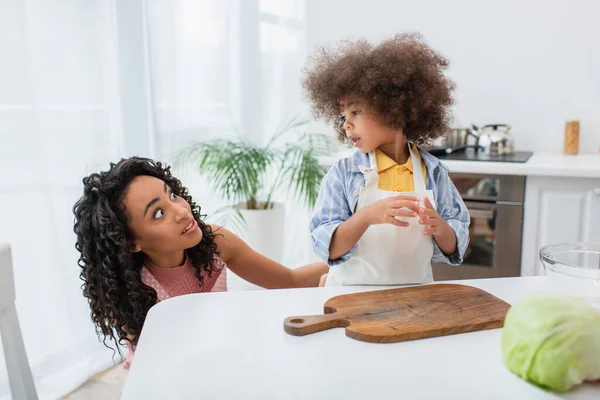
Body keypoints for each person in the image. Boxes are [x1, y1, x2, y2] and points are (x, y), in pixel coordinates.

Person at [72, 156, 329, 368]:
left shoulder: (216, 242)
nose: (182, 212)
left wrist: (359, 259)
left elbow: (289, 280)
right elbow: (167, 370)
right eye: (158, 213)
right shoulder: (130, 293)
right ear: (130, 243)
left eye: (172, 195)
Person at [301, 32, 470, 286]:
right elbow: (328, 248)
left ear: (393, 109)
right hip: (351, 298)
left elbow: (455, 247)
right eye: (343, 116)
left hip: (415, 299)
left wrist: (440, 227)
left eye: (355, 112)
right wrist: (367, 216)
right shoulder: (344, 173)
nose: (347, 124)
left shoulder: (433, 172)